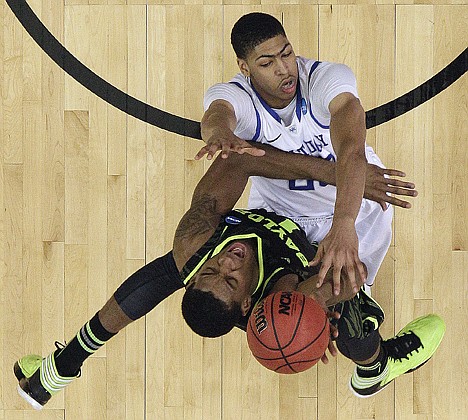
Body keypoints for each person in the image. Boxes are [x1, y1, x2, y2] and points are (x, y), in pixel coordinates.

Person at [14, 147, 442, 410]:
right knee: (347, 314)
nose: (228, 262)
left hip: (279, 213)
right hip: (328, 242)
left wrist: (337, 174)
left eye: (211, 271)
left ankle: (60, 368)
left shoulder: (196, 244)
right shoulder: (286, 294)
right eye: (231, 279)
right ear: (245, 303)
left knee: (169, 267)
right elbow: (351, 278)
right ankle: (376, 365)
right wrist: (314, 317)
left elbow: (235, 160)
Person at [197, 12, 417, 296]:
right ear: (245, 67)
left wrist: (344, 223)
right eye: (266, 63)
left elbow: (351, 150)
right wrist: (219, 134)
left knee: (348, 294)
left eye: (286, 54)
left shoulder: (327, 79)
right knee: (283, 307)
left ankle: (359, 305)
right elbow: (218, 113)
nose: (283, 69)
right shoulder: (239, 95)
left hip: (352, 203)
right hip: (281, 213)